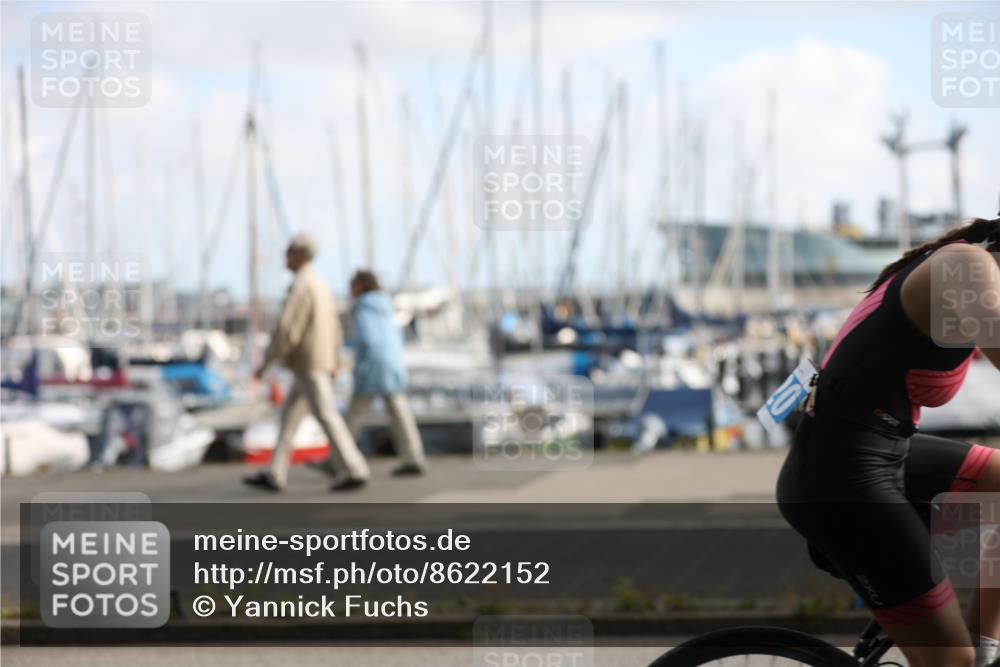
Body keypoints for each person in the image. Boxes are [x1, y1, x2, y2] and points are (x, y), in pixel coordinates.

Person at [777, 218, 1000, 667]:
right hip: (838, 479)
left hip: (877, 452)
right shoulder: (965, 266)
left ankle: (987, 651)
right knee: (949, 661)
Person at [243, 234, 370, 492]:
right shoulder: (321, 284)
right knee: (289, 418)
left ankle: (355, 467)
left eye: (289, 252)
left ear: (299, 255)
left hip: (307, 363)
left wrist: (265, 363)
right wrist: (335, 360)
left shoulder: (301, 285)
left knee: (326, 415)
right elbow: (335, 327)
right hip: (315, 362)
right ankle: (275, 472)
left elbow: (288, 329)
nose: (285, 257)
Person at [341, 269, 427, 476]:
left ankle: (339, 459)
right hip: (393, 364)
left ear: (361, 285)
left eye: (353, 284)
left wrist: (361, 366)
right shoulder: (386, 305)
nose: (350, 289)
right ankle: (413, 458)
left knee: (354, 416)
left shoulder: (363, 308)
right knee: (400, 414)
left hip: (373, 366)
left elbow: (369, 339)